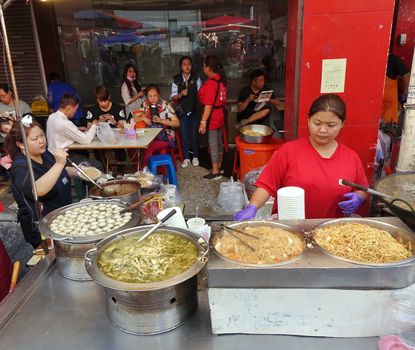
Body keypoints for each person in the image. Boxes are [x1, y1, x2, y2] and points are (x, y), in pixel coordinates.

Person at [234, 94, 369, 220]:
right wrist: (252, 207)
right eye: (317, 123)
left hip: (331, 234)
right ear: (308, 119)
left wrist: (359, 197)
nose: (323, 130)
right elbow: (266, 185)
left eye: (331, 125)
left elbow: (362, 188)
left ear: (342, 124)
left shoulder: (351, 158)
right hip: (289, 231)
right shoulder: (288, 151)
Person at [6, 119, 73, 247]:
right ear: (21, 144)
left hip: (64, 220)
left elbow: (56, 173)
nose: (41, 141)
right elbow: (37, 190)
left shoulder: (45, 154)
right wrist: (60, 163)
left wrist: (78, 172)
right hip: (44, 229)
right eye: (35, 138)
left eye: (42, 135)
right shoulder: (21, 167)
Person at [132, 85, 179, 166]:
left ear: (159, 95)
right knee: (137, 145)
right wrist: (143, 118)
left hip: (165, 136)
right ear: (147, 96)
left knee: (148, 147)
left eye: (155, 95)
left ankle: (147, 172)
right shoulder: (145, 104)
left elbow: (177, 123)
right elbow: (134, 118)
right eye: (150, 96)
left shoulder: (165, 105)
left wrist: (161, 121)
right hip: (149, 136)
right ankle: (142, 169)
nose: (152, 98)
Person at [198, 55, 227, 180]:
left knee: (214, 144)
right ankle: (219, 166)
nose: (203, 68)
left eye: (204, 66)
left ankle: (215, 172)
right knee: (219, 142)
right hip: (220, 114)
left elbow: (208, 105)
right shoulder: (221, 79)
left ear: (208, 68)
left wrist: (203, 122)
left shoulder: (211, 83)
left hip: (213, 117)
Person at [171, 56, 202, 168]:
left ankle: (195, 157)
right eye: (184, 64)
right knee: (184, 136)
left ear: (191, 65)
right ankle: (186, 158)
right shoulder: (176, 79)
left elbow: (200, 95)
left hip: (194, 110)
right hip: (182, 112)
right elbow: (173, 98)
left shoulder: (196, 78)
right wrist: (180, 95)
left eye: (189, 64)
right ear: (181, 66)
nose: (187, 66)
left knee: (194, 135)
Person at [380, 53, 410, 125]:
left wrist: (403, 96)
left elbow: (406, 76)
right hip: (379, 110)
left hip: (388, 113)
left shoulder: (392, 59)